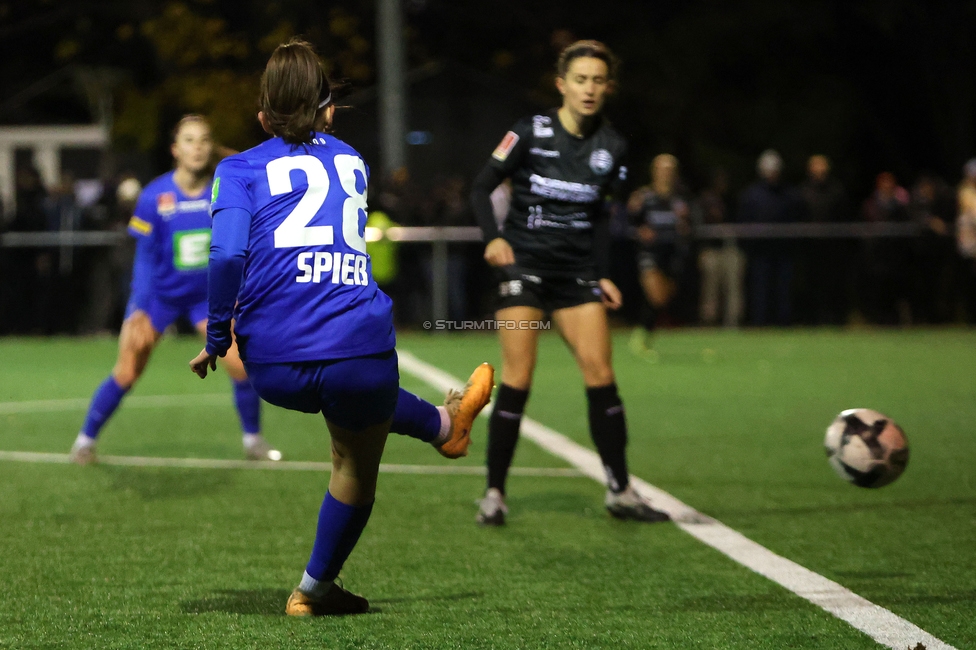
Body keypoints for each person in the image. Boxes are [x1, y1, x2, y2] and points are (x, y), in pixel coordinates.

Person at [189, 39, 494, 616]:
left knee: (352, 403)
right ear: (329, 111)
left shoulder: (237, 168)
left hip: (272, 365)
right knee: (354, 457)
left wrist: (214, 337)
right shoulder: (353, 160)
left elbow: (227, 256)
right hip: (358, 349)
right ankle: (314, 589)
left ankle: (444, 425)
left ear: (261, 115)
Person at [469, 39, 670, 525]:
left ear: (609, 88)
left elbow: (602, 217)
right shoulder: (529, 132)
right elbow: (481, 186)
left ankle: (620, 491)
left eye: (598, 81)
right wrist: (493, 239)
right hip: (524, 270)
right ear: (562, 84)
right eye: (580, 79)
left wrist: (602, 273)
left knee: (601, 377)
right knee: (518, 379)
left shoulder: (613, 147)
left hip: (576, 275)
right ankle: (494, 493)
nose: (589, 89)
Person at [69, 116, 280, 464]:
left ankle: (253, 441)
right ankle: (84, 441)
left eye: (204, 140)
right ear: (175, 149)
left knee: (241, 368)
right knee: (127, 371)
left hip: (207, 299)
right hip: (160, 298)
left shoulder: (225, 189)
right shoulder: (154, 196)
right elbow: (146, 260)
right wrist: (137, 309)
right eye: (189, 140)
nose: (197, 147)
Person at [626, 153, 691, 359]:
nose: (666, 174)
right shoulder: (643, 197)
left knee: (662, 299)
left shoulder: (681, 198)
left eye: (670, 170)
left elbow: (693, 223)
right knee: (656, 294)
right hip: (650, 253)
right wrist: (639, 231)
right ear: (654, 172)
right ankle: (639, 336)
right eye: (662, 169)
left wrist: (686, 227)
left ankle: (644, 334)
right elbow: (627, 223)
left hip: (673, 253)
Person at [737, 150, 802, 326]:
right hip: (760, 252)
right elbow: (743, 221)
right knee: (760, 289)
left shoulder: (790, 194)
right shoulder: (751, 194)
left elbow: (797, 218)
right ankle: (760, 324)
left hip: (783, 251)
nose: (772, 174)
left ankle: (783, 323)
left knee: (783, 290)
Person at [798, 155, 851, 325]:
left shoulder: (837, 190)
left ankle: (835, 318)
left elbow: (844, 216)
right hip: (811, 246)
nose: (819, 170)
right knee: (811, 284)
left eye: (822, 166)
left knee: (833, 284)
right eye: (816, 166)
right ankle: (812, 319)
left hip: (833, 247)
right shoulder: (803, 191)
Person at [694, 168, 745, 327]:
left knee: (734, 286)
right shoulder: (703, 200)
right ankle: (709, 322)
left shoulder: (731, 200)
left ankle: (733, 321)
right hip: (710, 250)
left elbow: (741, 224)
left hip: (729, 248)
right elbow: (696, 226)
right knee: (710, 289)